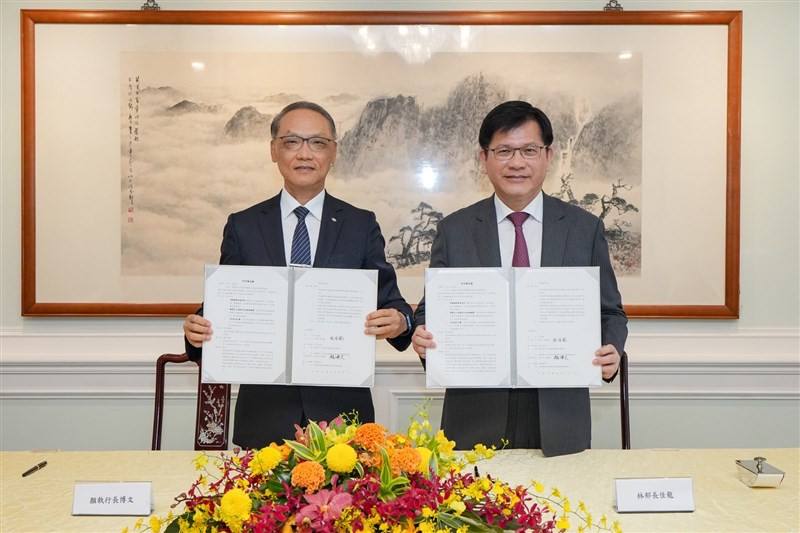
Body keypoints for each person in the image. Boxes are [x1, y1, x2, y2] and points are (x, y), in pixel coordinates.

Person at [183, 101, 413, 449]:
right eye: (292, 142)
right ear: (274, 150)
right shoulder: (243, 226)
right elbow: (222, 308)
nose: (305, 153)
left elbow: (394, 304)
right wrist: (197, 331)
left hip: (342, 417)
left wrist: (399, 321)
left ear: (334, 152)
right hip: (265, 415)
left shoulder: (360, 224)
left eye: (318, 143)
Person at [412, 100, 627, 457]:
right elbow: (429, 312)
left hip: (559, 414)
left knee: (561, 507)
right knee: (473, 511)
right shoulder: (455, 229)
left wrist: (611, 350)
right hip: (473, 413)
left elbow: (611, 313)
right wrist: (422, 336)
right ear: (484, 158)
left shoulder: (583, 228)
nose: (517, 163)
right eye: (504, 151)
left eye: (529, 150)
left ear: (548, 155)